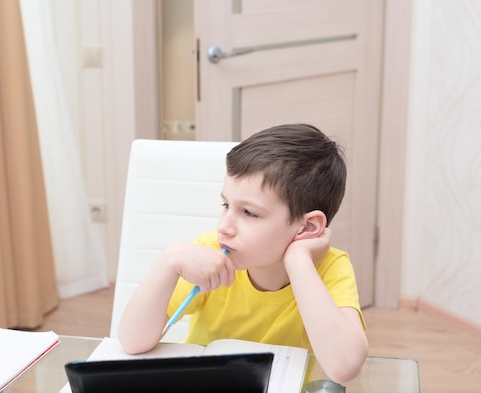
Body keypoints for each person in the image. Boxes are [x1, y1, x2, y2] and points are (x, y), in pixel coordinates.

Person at [118, 124, 368, 384]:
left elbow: (344, 366)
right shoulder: (210, 254)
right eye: (226, 204)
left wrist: (298, 260)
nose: (224, 226)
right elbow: (132, 341)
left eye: (249, 213)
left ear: (306, 227)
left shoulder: (330, 268)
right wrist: (169, 260)